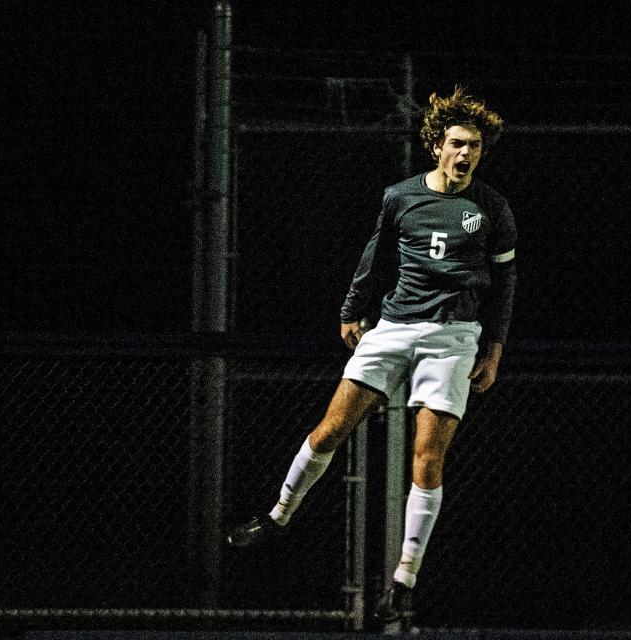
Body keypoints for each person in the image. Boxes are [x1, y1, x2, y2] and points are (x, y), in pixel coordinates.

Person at [226, 86, 517, 624]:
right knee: (329, 431)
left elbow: (506, 281)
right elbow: (375, 254)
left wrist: (494, 347)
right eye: (457, 143)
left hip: (454, 337)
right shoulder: (401, 197)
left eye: (474, 146)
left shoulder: (493, 208)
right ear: (437, 145)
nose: (465, 154)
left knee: (426, 459)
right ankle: (277, 515)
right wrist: (351, 309)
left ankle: (405, 579)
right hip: (394, 326)